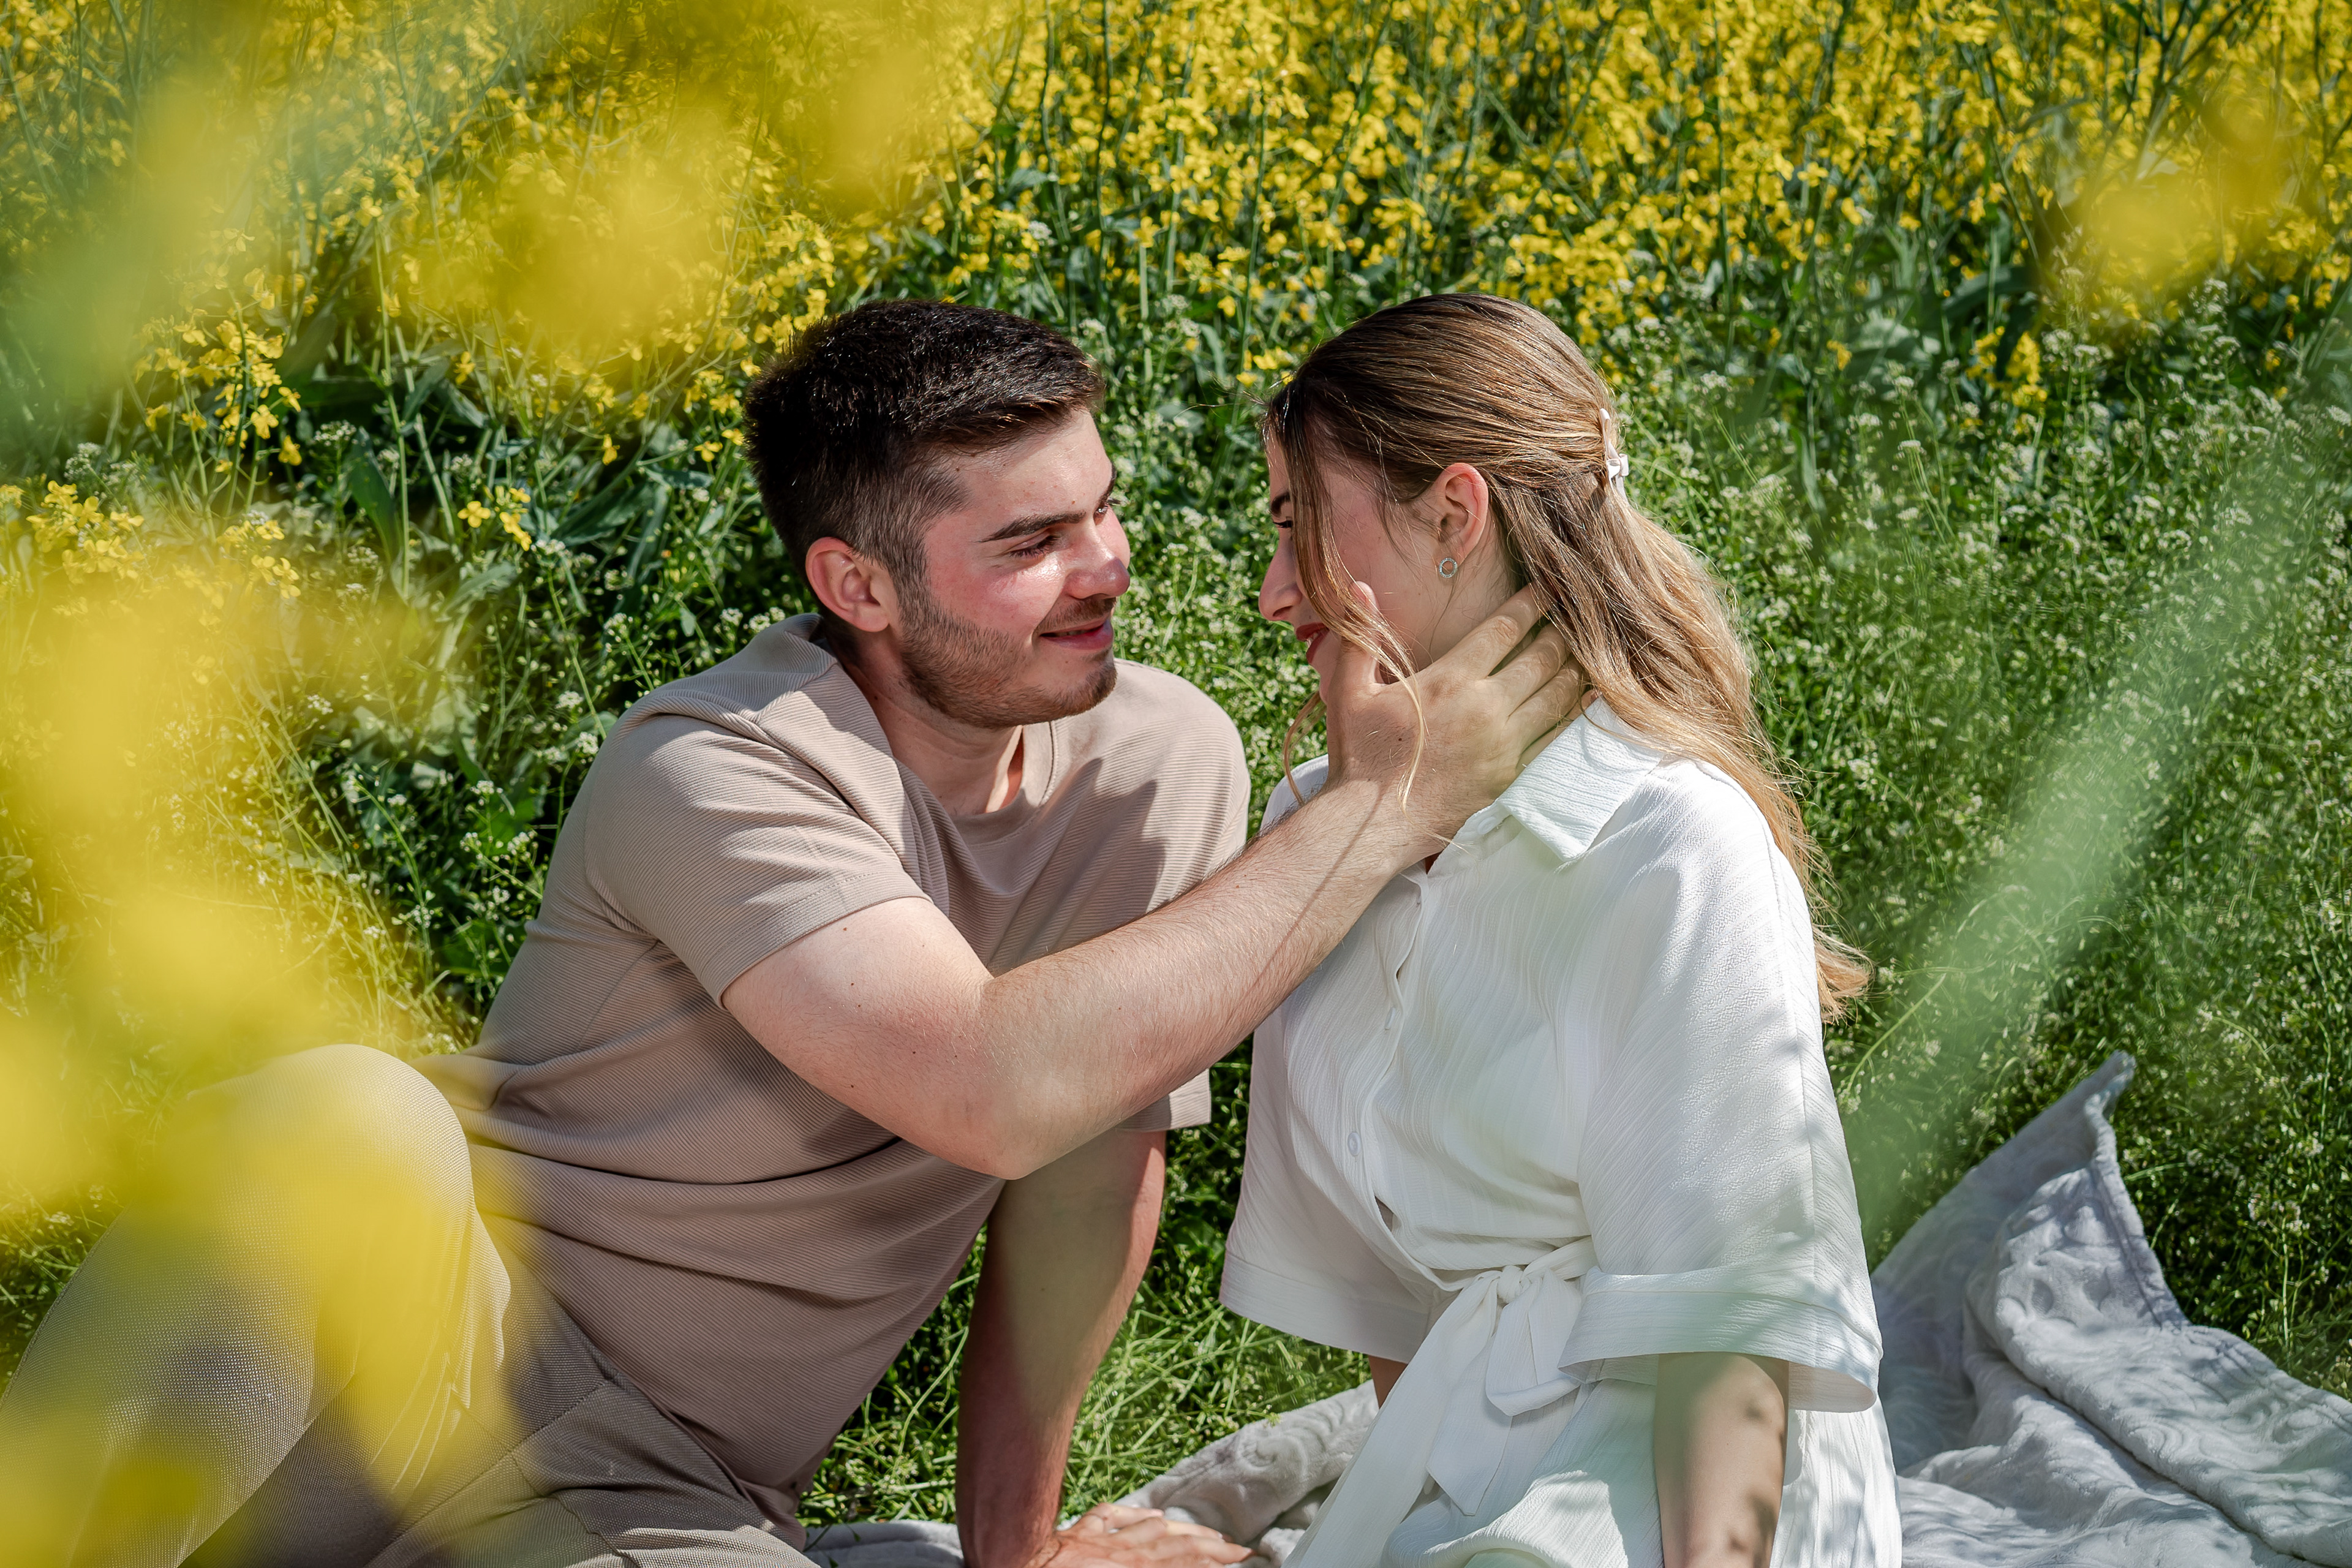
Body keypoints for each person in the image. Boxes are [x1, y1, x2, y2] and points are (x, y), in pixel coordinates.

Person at [0, 301, 1584, 1568]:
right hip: (405, 1362)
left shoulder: (1163, 763)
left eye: (1100, 510)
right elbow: (986, 1084)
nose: (1103, 567)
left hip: (659, 1496)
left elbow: (1087, 1163)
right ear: (859, 585)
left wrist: (1015, 1554)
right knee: (338, 1117)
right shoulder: (715, 767)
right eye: (1027, 543)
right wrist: (1385, 804)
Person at [1221, 293, 1902, 1568]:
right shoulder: (1317, 830)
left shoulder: (1672, 843)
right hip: (1462, 1475)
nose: (1272, 593)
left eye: (1296, 524)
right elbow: (1398, 1314)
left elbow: (1729, 1342)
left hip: (1684, 1490)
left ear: (1453, 517)